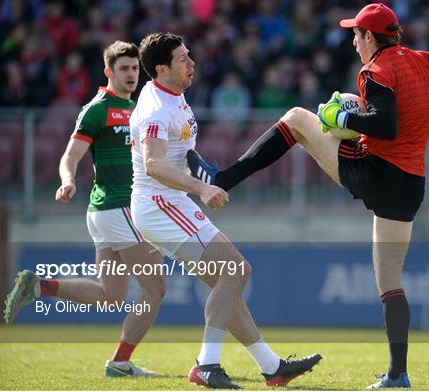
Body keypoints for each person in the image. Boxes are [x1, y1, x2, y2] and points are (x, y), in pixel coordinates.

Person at [187, 3, 429, 389]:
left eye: (357, 34)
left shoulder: (377, 69)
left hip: (374, 171)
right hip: (409, 184)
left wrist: (343, 120)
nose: (353, 41)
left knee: (298, 119)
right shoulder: (425, 60)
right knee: (390, 281)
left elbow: (385, 126)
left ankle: (222, 178)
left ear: (371, 37)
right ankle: (397, 374)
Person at [130, 32, 321, 390]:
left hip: (171, 202)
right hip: (159, 204)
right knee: (235, 271)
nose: (192, 63)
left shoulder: (174, 96)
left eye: (190, 55)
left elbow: (178, 153)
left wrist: (201, 170)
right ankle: (207, 364)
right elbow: (154, 164)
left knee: (228, 283)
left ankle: (271, 367)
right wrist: (203, 187)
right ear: (160, 68)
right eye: (183, 58)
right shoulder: (156, 107)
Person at [4, 41, 167, 378]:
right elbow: (71, 155)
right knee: (156, 288)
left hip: (110, 212)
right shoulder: (97, 109)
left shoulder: (136, 108)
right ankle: (120, 363)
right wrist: (67, 181)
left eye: (135, 68)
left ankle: (40, 287)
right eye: (124, 68)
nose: (131, 74)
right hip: (118, 207)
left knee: (110, 296)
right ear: (108, 72)